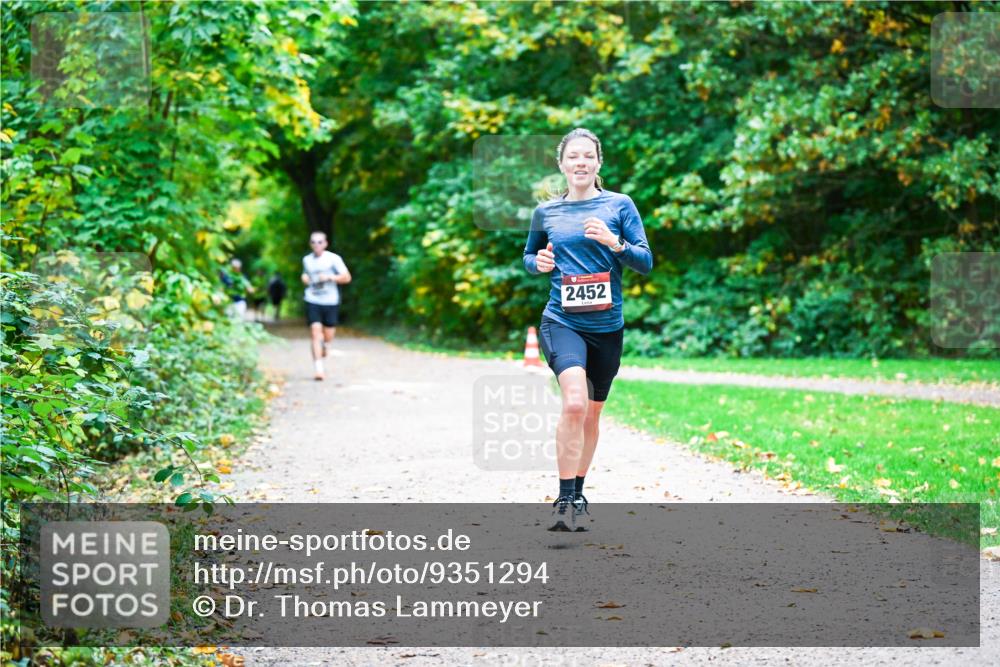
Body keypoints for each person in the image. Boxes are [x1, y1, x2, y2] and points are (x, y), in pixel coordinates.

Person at [523, 128, 653, 531]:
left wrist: (615, 244)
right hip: (561, 320)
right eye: (573, 157)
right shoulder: (547, 212)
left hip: (607, 327)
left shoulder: (620, 205)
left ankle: (578, 490)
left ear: (599, 163)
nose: (580, 163)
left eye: (588, 156)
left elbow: (645, 260)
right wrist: (538, 264)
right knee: (575, 403)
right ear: (561, 164)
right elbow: (530, 255)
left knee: (592, 415)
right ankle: (563, 499)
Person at [302, 231, 351, 380]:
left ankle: (326, 345)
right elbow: (305, 274)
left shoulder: (333, 259)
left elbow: (347, 277)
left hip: (330, 301)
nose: (316, 245)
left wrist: (330, 277)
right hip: (312, 299)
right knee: (315, 332)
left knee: (328, 335)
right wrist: (304, 278)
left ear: (325, 243)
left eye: (319, 242)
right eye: (313, 242)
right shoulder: (307, 260)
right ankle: (319, 369)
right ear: (310, 244)